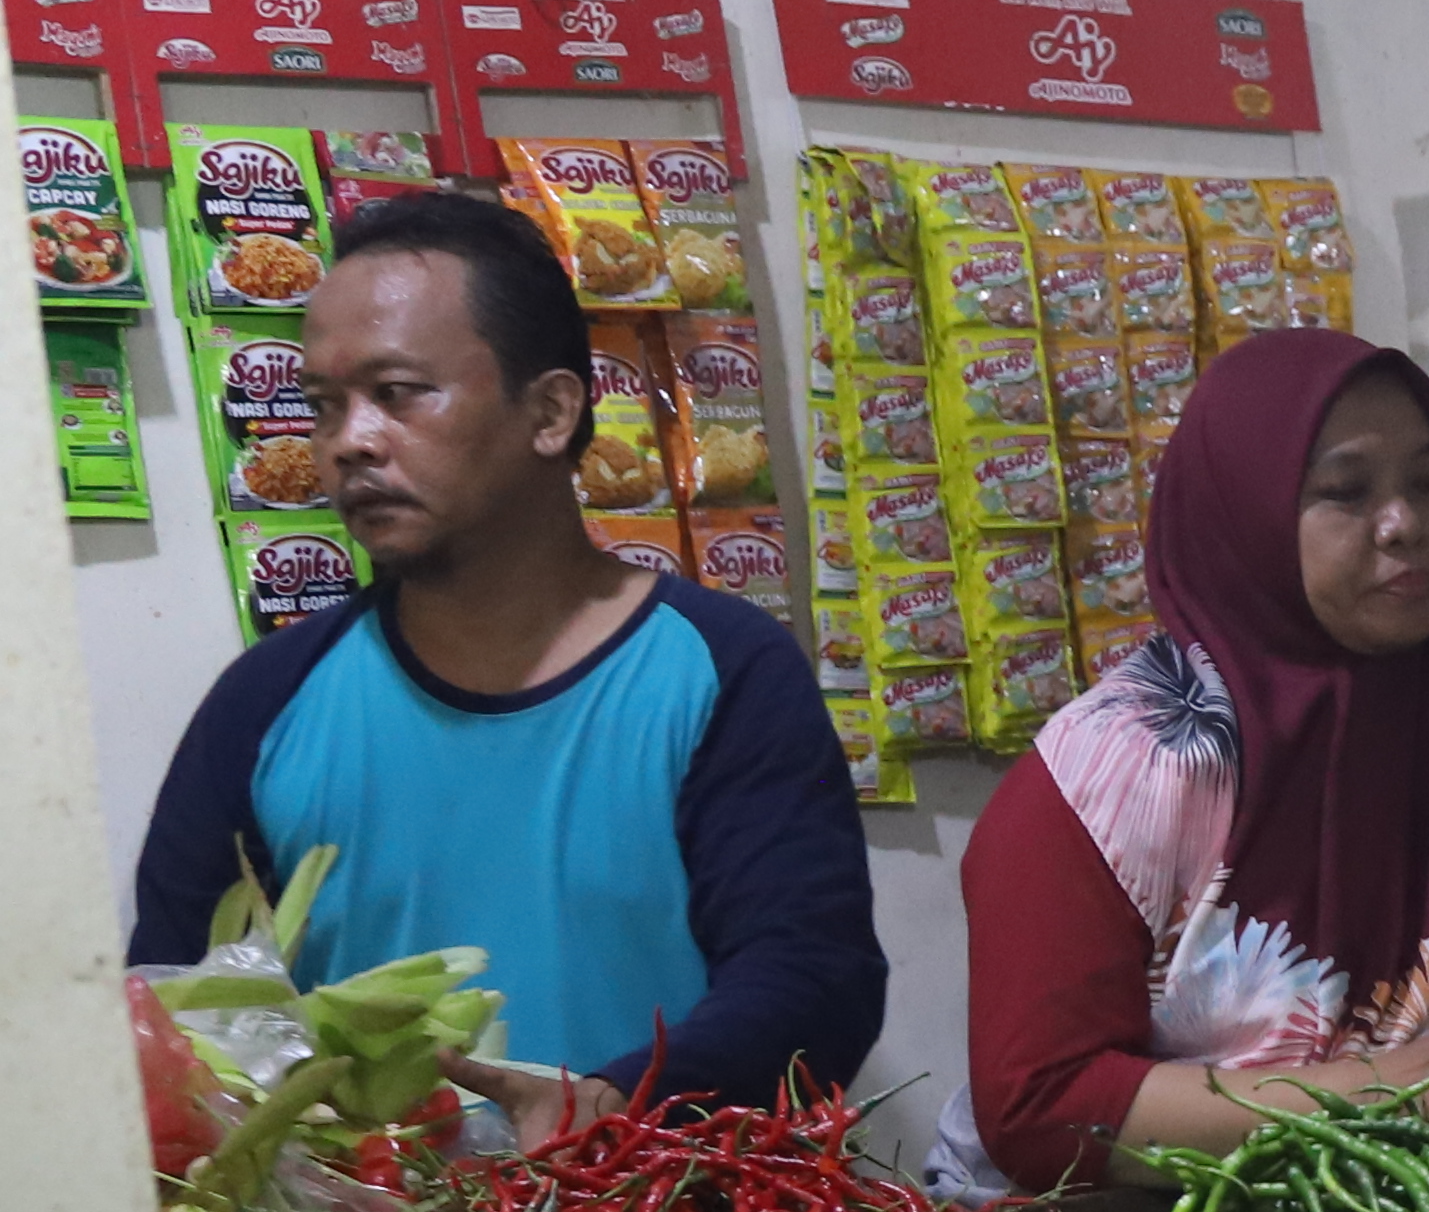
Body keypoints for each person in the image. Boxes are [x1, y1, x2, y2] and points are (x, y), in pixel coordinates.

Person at [130, 186, 882, 1103]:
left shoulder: (722, 672)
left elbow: (816, 985)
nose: (350, 443)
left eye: (399, 394)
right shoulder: (266, 703)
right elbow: (170, 1017)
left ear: (552, 413)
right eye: (325, 406)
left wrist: (612, 1104)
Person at [947, 327, 1429, 1189]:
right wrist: (1372, 1095)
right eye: (1345, 492)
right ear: (1243, 511)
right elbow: (1043, 1106)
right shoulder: (1114, 773)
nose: (1403, 524)